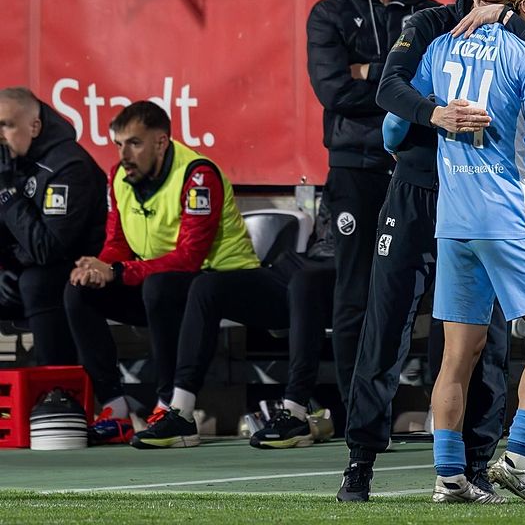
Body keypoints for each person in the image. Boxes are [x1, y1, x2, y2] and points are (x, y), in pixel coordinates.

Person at [337, 0, 525, 502]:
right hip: (422, 194)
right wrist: (435, 114)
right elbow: (388, 91)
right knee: (387, 323)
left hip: (458, 200)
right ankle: (360, 461)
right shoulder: (431, 25)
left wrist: (513, 17)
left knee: (479, 345)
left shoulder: (515, 33)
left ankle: (467, 467)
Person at [413, 0, 525, 504]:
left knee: (458, 357)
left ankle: (449, 478)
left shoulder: (442, 46)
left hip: (453, 223)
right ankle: (519, 458)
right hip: (506, 220)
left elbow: (394, 122)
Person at [64, 101, 261, 445]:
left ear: (161, 142)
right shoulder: (118, 177)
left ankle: (169, 406)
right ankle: (116, 410)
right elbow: (117, 243)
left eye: (134, 143)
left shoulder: (198, 174)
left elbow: (189, 258)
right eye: (119, 144)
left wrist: (118, 270)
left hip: (221, 282)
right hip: (157, 284)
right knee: (78, 290)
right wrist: (99, 268)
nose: (124, 154)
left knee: (160, 287)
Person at [306, 0, 439, 403]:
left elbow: (434, 83)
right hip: (355, 169)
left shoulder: (427, 11)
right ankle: (354, 411)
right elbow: (334, 90)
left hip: (412, 166)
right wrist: (398, 83)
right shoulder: (328, 13)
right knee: (355, 291)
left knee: (430, 285)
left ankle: (434, 408)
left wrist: (369, 71)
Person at [126, 251, 336, 449]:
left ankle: (295, 413)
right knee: (205, 287)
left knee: (304, 282)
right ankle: (181, 413)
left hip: (342, 267)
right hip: (301, 262)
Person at [0, 87, 106, 366]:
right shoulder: (11, 163)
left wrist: (6, 195)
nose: (0, 136)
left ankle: (57, 390)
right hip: (26, 268)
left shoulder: (68, 165)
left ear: (34, 126)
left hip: (77, 270)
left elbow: (49, 249)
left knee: (36, 282)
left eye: (6, 125)